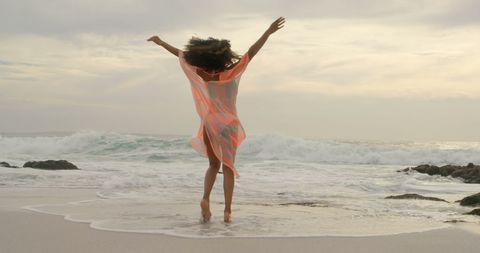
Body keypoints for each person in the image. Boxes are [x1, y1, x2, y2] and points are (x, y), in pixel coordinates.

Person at [147, 17, 285, 223]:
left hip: (210, 122)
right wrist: (267, 32)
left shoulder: (201, 74)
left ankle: (205, 199)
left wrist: (161, 42)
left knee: (213, 165)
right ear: (224, 58)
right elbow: (251, 53)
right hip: (229, 123)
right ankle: (228, 211)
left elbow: (182, 55)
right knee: (228, 166)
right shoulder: (232, 72)